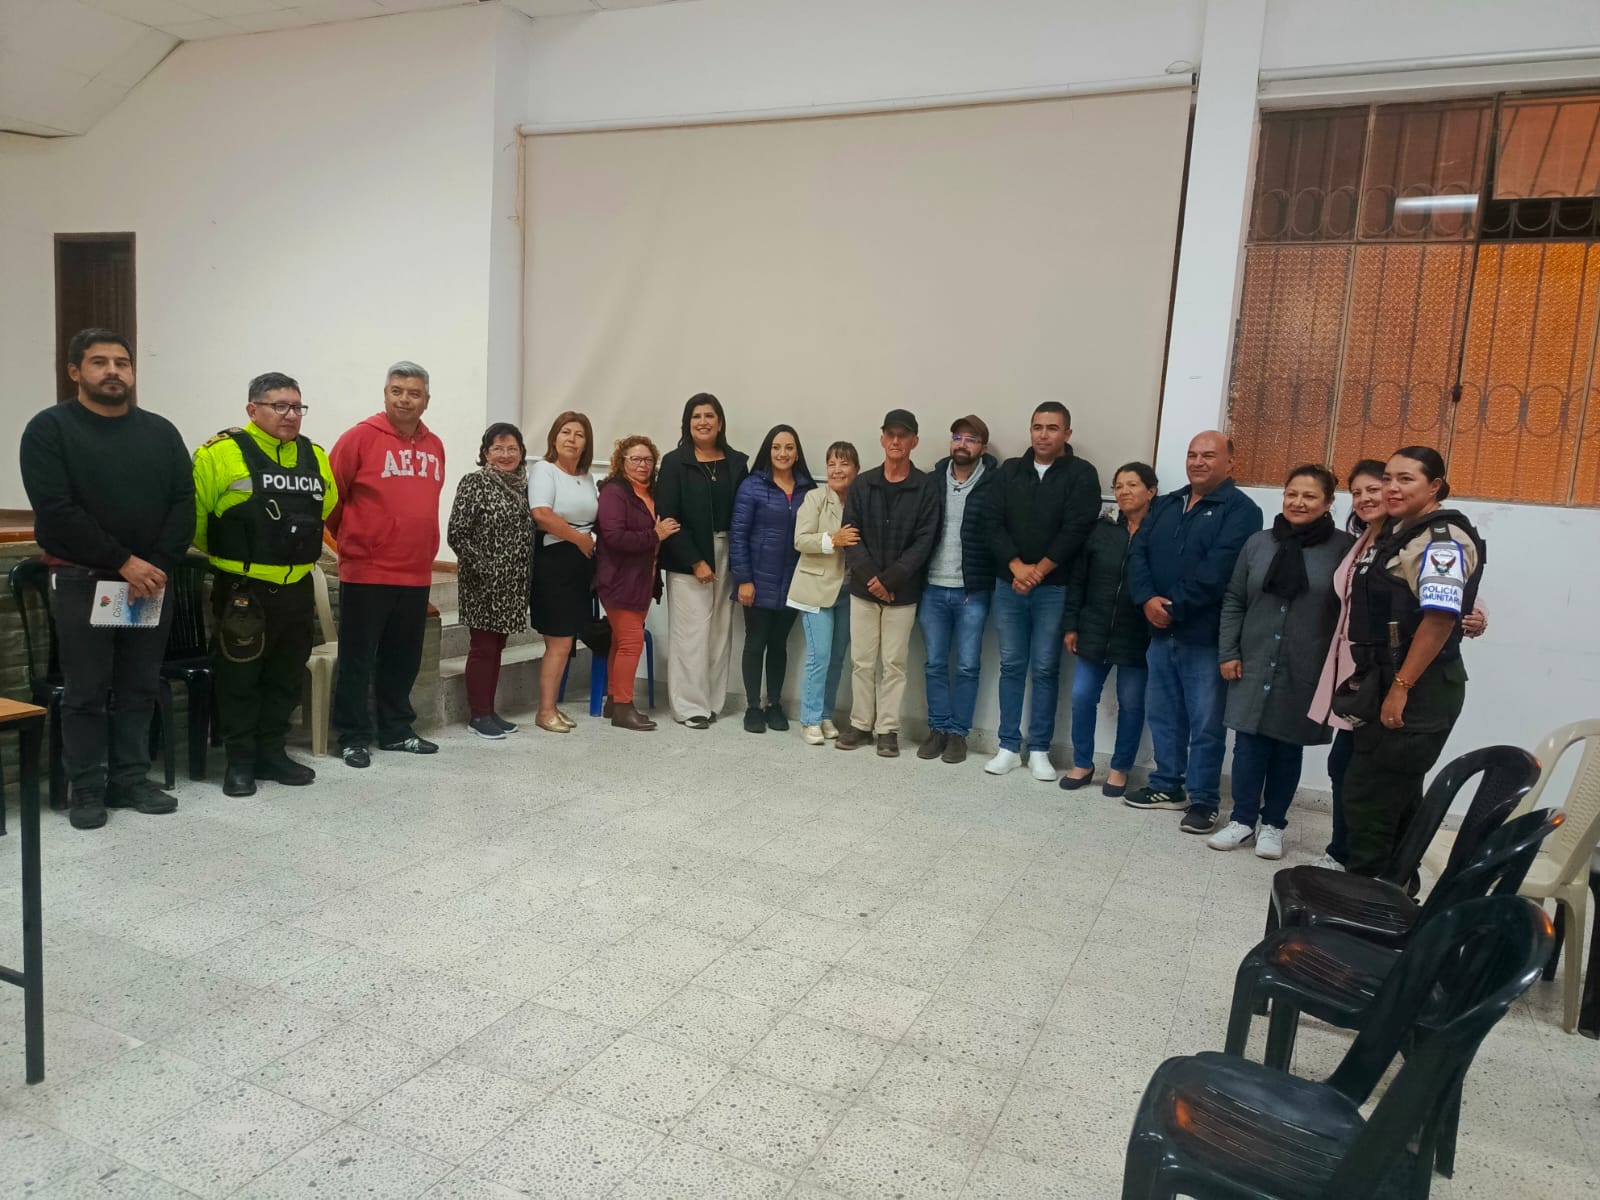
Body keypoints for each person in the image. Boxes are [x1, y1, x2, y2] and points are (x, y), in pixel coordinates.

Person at [18, 328, 191, 829]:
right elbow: (57, 510)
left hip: (149, 582)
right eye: (100, 362)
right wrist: (124, 562)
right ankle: (88, 787)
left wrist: (154, 565)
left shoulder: (160, 432)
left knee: (139, 684)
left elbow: (184, 501)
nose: (113, 371)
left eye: (122, 362)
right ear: (75, 371)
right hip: (83, 579)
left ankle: (130, 779)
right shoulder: (49, 429)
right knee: (87, 689)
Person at [1305, 459, 1487, 871]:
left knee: (1371, 799)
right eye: (1387, 479)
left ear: (1434, 486)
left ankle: (1366, 894)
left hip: (1417, 687)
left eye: (1406, 479)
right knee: (1383, 793)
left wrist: (1401, 687)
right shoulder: (1399, 534)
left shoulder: (1442, 541)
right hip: (1381, 678)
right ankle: (1394, 885)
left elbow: (1439, 619)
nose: (1392, 488)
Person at [192, 372, 338, 797]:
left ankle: (272, 754)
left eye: (296, 406)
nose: (290, 415)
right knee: (239, 679)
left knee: (286, 677)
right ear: (252, 409)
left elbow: (325, 506)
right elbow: (197, 522)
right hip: (243, 590)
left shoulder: (315, 455)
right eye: (279, 406)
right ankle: (239, 763)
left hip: (296, 588)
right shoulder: (220, 453)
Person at [1208, 466, 1353, 860]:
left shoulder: (1344, 549)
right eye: (1292, 494)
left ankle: (1273, 825)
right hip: (1254, 658)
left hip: (1307, 664)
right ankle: (1242, 820)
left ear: (1328, 502)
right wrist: (1229, 652)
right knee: (1248, 744)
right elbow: (1235, 599)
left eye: (1309, 496)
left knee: (1288, 747)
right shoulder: (1258, 543)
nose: (1298, 502)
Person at [1125, 431, 1264, 833]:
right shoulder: (1168, 504)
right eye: (1192, 455)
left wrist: (1173, 608)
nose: (1198, 462)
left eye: (1208, 455)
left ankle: (1203, 800)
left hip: (1204, 637)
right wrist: (1146, 599)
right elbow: (1138, 553)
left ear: (1230, 463)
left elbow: (1219, 570)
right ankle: (1167, 785)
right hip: (1159, 633)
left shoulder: (1242, 511)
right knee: (1164, 715)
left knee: (1205, 723)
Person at [327, 361, 446, 767]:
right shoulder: (359, 438)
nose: (404, 400)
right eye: (397, 391)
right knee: (358, 659)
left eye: (414, 393)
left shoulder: (434, 445)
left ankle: (396, 730)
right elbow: (332, 501)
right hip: (367, 570)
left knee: (403, 658)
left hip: (415, 572)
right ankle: (352, 736)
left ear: (426, 400)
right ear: (385, 394)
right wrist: (360, 542)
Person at [982, 403, 1102, 781]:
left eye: (1052, 428)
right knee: (1011, 665)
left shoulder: (1081, 474)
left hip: (1054, 588)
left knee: (1047, 668)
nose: (1043, 434)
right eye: (1037, 427)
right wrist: (1017, 567)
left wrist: (1039, 571)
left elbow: (1076, 528)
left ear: (1067, 433)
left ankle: (1039, 749)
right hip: (1010, 585)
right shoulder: (1010, 471)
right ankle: (1007, 746)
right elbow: (991, 522)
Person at [837, 410, 942, 758]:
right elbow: (850, 535)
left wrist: (891, 579)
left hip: (903, 591)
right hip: (863, 590)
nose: (896, 441)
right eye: (891, 435)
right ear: (882, 438)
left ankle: (887, 730)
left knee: (894, 664)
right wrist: (873, 579)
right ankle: (860, 724)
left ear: (914, 441)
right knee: (862, 661)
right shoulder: (863, 484)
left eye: (903, 435)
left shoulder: (925, 487)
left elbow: (925, 541)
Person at [1060, 462, 1157, 798]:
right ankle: (1082, 763)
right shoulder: (1101, 530)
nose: (1124, 491)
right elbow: (1078, 581)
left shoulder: (1161, 532)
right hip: (1094, 627)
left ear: (1151, 491)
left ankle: (1120, 768)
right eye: (1119, 486)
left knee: (1131, 703)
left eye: (1133, 485)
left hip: (1138, 634)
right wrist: (1072, 624)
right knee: (1082, 696)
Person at [656, 394, 749, 729]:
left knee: (721, 631)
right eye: (696, 416)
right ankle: (689, 707)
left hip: (729, 549)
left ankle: (712, 702)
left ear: (720, 422)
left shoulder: (736, 462)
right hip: (689, 556)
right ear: (687, 423)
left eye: (710, 416)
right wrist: (695, 560)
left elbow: (745, 513)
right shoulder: (673, 462)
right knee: (691, 633)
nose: (703, 422)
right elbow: (668, 516)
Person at [917, 416, 999, 766]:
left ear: (982, 447)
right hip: (933, 588)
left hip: (972, 591)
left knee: (967, 666)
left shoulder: (995, 484)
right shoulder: (933, 480)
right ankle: (937, 728)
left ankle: (958, 733)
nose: (962, 444)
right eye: (957, 437)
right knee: (935, 663)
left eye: (971, 439)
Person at [447, 423, 535, 740]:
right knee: (483, 647)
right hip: (482, 583)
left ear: (521, 453)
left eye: (512, 448)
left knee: (498, 646)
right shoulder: (475, 482)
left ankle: (489, 710)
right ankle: (478, 715)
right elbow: (457, 533)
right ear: (486, 453)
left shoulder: (524, 487)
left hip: (513, 583)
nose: (505, 454)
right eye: (498, 448)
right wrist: (486, 569)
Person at [730, 425, 815, 732]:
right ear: (768, 450)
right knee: (756, 642)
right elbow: (738, 535)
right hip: (756, 580)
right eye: (777, 447)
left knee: (779, 644)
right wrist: (744, 578)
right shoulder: (752, 485)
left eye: (789, 448)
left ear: (797, 453)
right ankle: (753, 707)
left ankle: (774, 704)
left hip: (793, 581)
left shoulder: (808, 490)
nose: (783, 453)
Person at [595, 436, 678, 730]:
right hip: (619, 580)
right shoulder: (614, 492)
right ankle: (623, 708)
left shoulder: (650, 493)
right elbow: (614, 537)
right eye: (636, 459)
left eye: (648, 460)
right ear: (622, 461)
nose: (643, 465)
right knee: (631, 643)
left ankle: (613, 700)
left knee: (620, 642)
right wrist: (655, 535)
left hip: (643, 580)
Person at [528, 411, 599, 734]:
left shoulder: (586, 476)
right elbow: (542, 514)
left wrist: (590, 541)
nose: (572, 439)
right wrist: (580, 539)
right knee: (558, 642)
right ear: (554, 437)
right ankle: (545, 711)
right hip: (554, 562)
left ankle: (553, 706)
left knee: (568, 639)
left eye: (579, 434)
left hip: (580, 565)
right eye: (566, 432)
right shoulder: (544, 470)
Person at [789, 442, 859, 745]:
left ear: (856, 469)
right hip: (815, 589)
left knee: (838, 658)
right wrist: (833, 539)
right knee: (820, 656)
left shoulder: (860, 499)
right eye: (831, 464)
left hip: (849, 591)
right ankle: (809, 719)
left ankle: (825, 714)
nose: (837, 470)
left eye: (844, 464)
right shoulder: (815, 498)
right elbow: (800, 540)